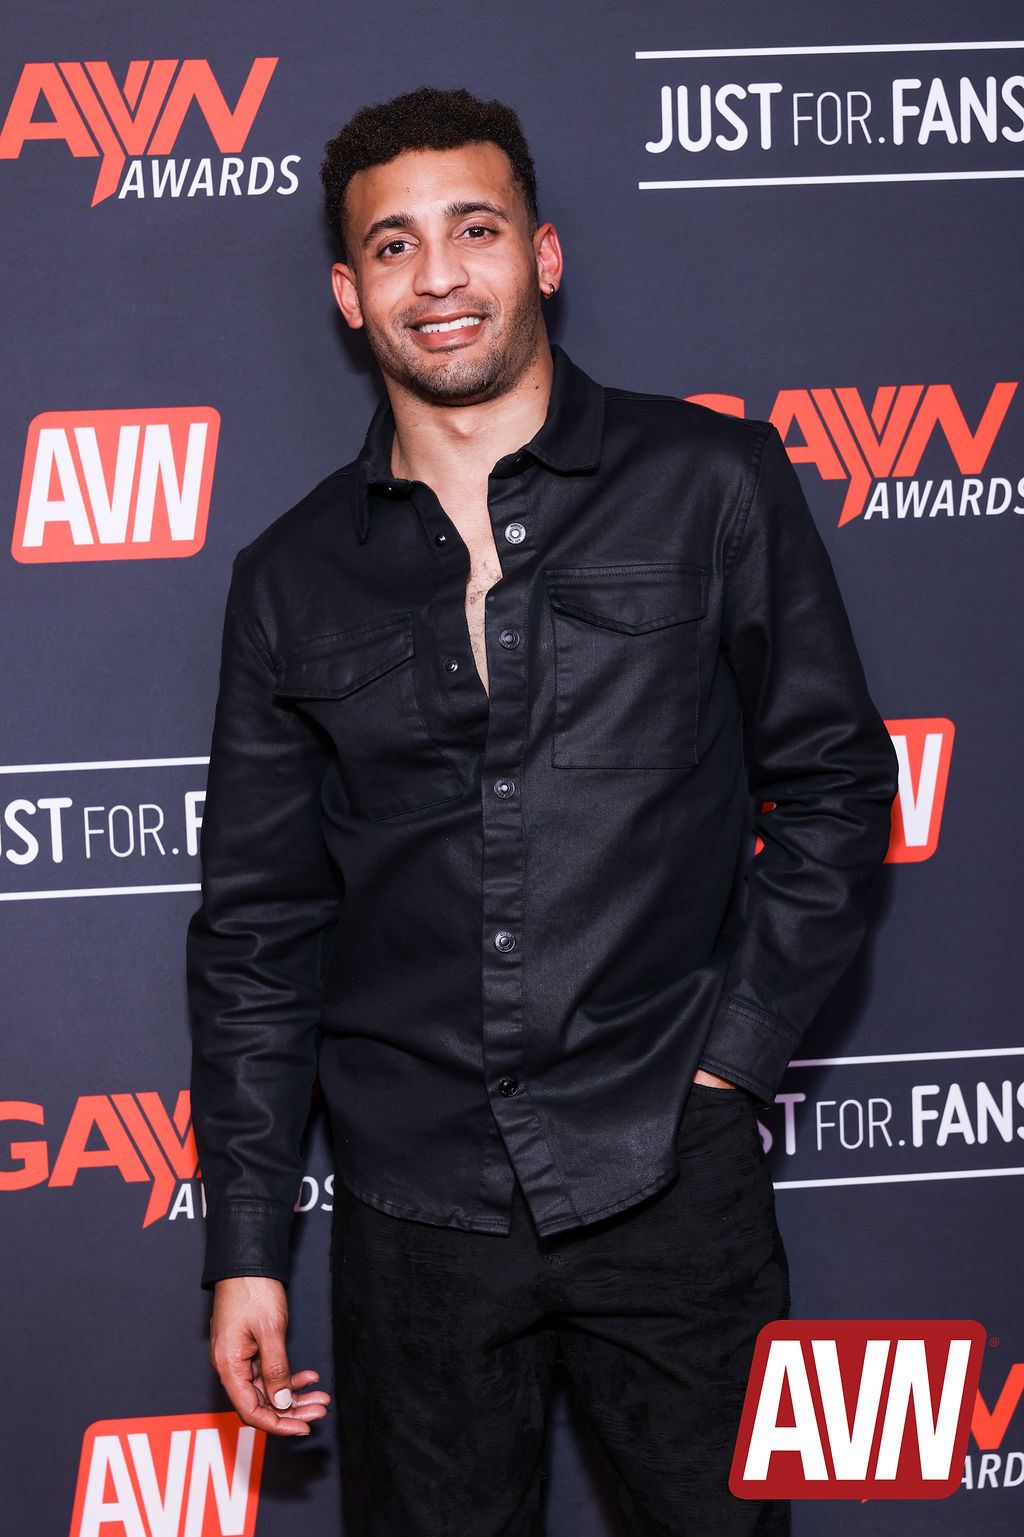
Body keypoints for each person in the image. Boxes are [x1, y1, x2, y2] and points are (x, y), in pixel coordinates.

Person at [188, 86, 898, 1537]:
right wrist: (247, 1243)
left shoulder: (712, 486)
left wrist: (732, 1062)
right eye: (394, 245)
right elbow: (260, 929)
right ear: (350, 293)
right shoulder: (288, 577)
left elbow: (836, 785)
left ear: (544, 255)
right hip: (414, 1212)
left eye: (476, 229)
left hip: (670, 1173)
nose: (438, 276)